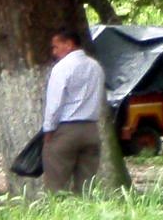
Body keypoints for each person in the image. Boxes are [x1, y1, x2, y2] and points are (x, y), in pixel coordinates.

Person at [42, 26, 111, 193]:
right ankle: (84, 208)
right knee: (86, 187)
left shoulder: (62, 67)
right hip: (91, 130)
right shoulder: (96, 67)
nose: (54, 52)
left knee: (56, 185)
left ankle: (57, 209)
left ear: (69, 44)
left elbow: (54, 104)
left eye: (56, 46)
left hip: (66, 130)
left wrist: (48, 131)